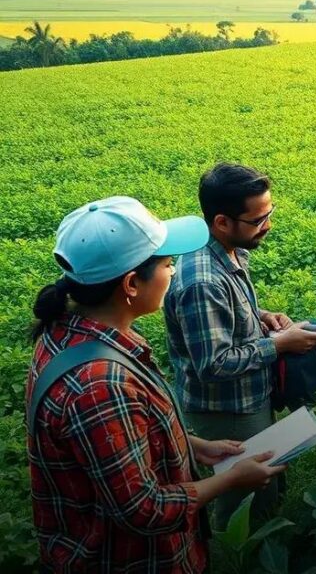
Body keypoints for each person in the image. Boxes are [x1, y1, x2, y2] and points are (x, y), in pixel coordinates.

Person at [26, 197, 284, 573]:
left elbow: (116, 442)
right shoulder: (102, 386)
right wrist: (231, 479)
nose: (175, 271)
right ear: (131, 284)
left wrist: (193, 446)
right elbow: (144, 510)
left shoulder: (68, 335)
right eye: (166, 264)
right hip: (132, 559)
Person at [163, 163, 316, 529]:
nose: (266, 225)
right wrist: (280, 345)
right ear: (222, 221)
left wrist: (261, 315)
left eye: (269, 213)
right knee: (245, 507)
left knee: (266, 486)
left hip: (248, 397)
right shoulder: (202, 280)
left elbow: (227, 319)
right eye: (257, 219)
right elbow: (214, 363)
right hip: (227, 410)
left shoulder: (228, 251)